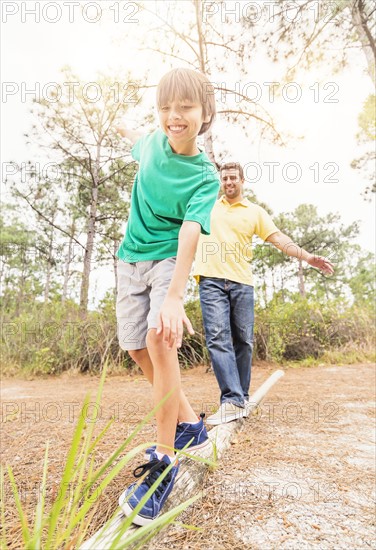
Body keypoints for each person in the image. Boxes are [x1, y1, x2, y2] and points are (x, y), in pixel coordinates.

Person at [115, 68, 220, 525]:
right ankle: (191, 427)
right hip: (128, 258)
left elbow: (191, 232)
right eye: (165, 107)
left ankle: (164, 462)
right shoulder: (150, 144)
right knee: (137, 349)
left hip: (166, 261)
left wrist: (175, 296)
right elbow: (133, 135)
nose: (174, 117)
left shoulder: (205, 176)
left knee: (160, 341)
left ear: (206, 112)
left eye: (185, 107)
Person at [193, 162, 334, 425]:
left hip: (242, 283)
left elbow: (279, 239)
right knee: (217, 338)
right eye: (224, 178)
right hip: (210, 280)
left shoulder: (254, 212)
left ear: (243, 181)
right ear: (219, 182)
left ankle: (240, 398)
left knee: (244, 341)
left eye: (233, 178)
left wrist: (308, 257)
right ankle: (232, 399)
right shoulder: (206, 206)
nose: (228, 182)